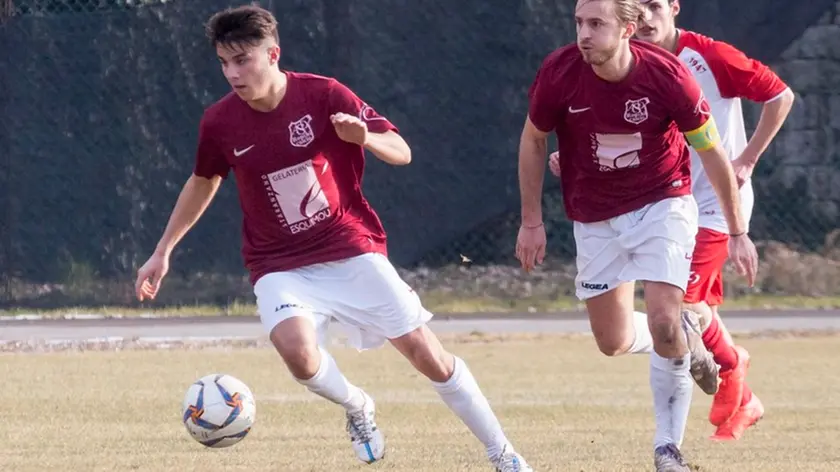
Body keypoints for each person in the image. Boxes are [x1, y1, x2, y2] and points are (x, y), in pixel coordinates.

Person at [133, 5, 531, 471]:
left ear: (273, 54)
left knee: (430, 357)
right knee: (299, 357)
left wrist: (365, 138)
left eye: (242, 60)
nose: (232, 73)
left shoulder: (323, 94)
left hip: (348, 247)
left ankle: (503, 454)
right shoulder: (219, 122)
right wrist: (163, 250)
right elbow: (203, 181)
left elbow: (401, 152)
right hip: (277, 262)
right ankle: (358, 406)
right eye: (224, 62)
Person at [517, 0, 759, 470]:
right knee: (612, 341)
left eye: (596, 24)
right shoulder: (560, 71)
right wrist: (531, 220)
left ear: (628, 29)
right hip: (594, 216)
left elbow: (711, 151)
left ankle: (668, 451)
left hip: (662, 204)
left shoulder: (667, 76)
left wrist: (737, 231)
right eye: (579, 23)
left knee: (664, 318)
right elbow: (533, 139)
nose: (584, 35)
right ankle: (684, 337)